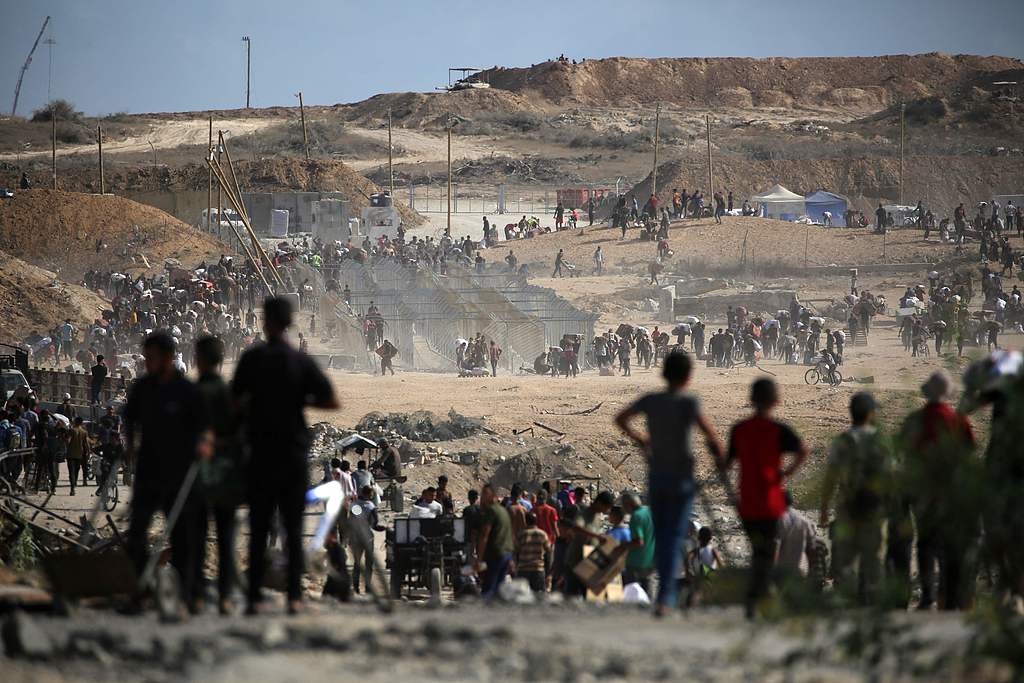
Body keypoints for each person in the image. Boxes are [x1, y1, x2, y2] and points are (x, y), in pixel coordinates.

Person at [233, 297, 339, 615]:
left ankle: (253, 598)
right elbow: (331, 401)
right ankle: (294, 597)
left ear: (264, 322)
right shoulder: (299, 361)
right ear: (290, 322)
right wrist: (297, 399)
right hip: (292, 454)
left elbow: (234, 402)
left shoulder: (252, 359)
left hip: (260, 454)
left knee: (259, 527)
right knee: (293, 529)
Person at [615, 352, 724, 615]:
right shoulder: (689, 403)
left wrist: (640, 438)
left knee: (663, 535)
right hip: (681, 478)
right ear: (688, 377)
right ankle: (666, 596)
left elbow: (620, 418)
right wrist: (721, 458)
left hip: (657, 477)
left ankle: (664, 597)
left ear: (663, 373)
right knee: (674, 534)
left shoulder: (651, 400)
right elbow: (712, 437)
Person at [124, 332, 210, 612]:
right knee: (136, 532)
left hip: (180, 474)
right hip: (148, 472)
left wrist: (203, 444)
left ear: (169, 358)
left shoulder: (186, 391)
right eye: (146, 357)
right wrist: (129, 446)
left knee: (183, 536)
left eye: (152, 358)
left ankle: (187, 595)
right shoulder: (142, 388)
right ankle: (140, 590)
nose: (147, 363)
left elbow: (204, 427)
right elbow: (130, 420)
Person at [723, 378, 808, 619]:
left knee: (758, 551)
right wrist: (786, 473)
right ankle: (758, 599)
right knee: (766, 553)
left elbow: (726, 464)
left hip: (747, 502)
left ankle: (756, 599)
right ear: (776, 401)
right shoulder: (779, 430)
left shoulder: (739, 429)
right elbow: (803, 450)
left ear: (751, 400)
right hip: (771, 502)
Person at [898, 371, 979, 610]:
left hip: (921, 491)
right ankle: (948, 596)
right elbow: (969, 456)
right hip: (950, 491)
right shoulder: (958, 420)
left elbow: (903, 453)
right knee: (949, 544)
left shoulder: (914, 420)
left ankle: (928, 596)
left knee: (926, 542)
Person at [819, 393, 890, 605]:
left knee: (846, 560)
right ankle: (870, 602)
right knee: (872, 559)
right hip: (874, 510)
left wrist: (824, 508)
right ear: (870, 414)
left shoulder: (843, 440)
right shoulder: (880, 441)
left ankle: (847, 602)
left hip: (847, 508)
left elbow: (831, 477)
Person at [193, 335, 244, 614]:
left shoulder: (192, 393)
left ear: (198, 359)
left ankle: (197, 595)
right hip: (227, 477)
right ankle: (224, 595)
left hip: (199, 475)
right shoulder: (230, 394)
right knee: (225, 538)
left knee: (197, 536)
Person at [563, 490, 615, 599]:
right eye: (606, 507)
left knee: (589, 598)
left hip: (589, 565)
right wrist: (596, 536)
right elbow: (576, 527)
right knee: (571, 598)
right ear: (599, 503)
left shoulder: (597, 517)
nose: (606, 511)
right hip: (575, 562)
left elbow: (597, 534)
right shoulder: (584, 513)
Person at [476, 483, 514, 598]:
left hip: (495, 554)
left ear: (492, 495)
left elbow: (484, 535)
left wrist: (479, 559)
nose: (482, 497)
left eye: (484, 494)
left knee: (488, 590)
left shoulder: (491, 511)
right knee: (498, 590)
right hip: (506, 554)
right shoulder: (503, 511)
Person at [349, 485, 384, 594]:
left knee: (357, 563)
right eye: (372, 494)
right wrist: (385, 528)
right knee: (369, 564)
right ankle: (368, 588)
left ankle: (356, 588)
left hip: (356, 537)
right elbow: (375, 525)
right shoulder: (371, 506)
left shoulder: (355, 505)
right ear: (370, 494)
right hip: (368, 538)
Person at [620, 492, 655, 598]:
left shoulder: (636, 516)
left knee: (631, 593)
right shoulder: (649, 512)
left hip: (636, 563)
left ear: (628, 504)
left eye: (623, 506)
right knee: (647, 593)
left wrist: (623, 545)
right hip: (651, 560)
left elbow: (639, 542)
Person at [775, 490, 817, 578]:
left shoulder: (778, 520)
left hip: (781, 572)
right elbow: (812, 548)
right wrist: (811, 571)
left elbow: (776, 546)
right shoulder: (804, 521)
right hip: (799, 571)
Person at [516, 512, 550, 593]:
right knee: (539, 595)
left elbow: (516, 550)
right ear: (536, 521)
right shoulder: (542, 534)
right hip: (538, 568)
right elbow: (548, 551)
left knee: (521, 594)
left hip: (523, 568)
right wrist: (548, 569)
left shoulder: (521, 534)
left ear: (526, 521)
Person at [66, 416, 90, 495]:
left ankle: (72, 488)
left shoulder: (71, 430)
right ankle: (75, 484)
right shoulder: (84, 432)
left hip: (71, 454)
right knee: (76, 471)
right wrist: (88, 452)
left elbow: (68, 441)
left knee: (71, 472)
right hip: (80, 454)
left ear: (75, 422)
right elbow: (86, 444)